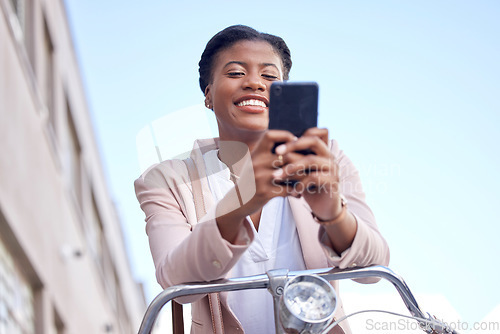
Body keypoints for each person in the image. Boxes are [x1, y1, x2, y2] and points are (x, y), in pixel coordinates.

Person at [135, 25, 390, 334]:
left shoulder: (325, 158)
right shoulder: (165, 179)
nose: (255, 83)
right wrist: (242, 199)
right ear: (208, 95)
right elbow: (175, 280)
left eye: (270, 77)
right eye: (235, 73)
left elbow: (373, 270)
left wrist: (333, 213)